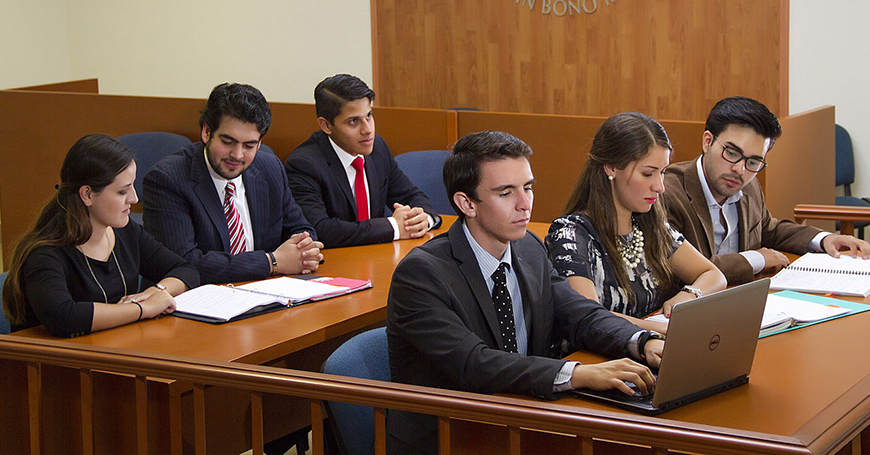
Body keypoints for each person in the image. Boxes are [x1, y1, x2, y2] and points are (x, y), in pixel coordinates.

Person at [386, 131, 664, 454]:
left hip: (521, 419)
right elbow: (475, 364)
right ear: (466, 203)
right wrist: (578, 374)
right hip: (450, 436)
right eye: (506, 193)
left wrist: (642, 341)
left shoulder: (528, 247)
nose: (525, 204)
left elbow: (579, 313)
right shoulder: (421, 275)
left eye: (528, 188)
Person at [1, 134, 199, 338]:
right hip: (54, 356)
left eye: (132, 186)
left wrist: (155, 291)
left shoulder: (126, 231)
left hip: (114, 346)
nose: (134, 198)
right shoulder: (44, 254)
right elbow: (63, 318)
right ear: (87, 194)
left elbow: (186, 270)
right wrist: (143, 309)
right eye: (122, 191)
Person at [546, 113, 726, 333]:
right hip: (600, 351)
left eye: (663, 172)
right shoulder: (571, 234)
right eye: (648, 173)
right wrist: (659, 329)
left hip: (650, 343)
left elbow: (714, 275)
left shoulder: (650, 225)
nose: (660, 187)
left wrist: (688, 295)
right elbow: (589, 317)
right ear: (611, 168)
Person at [663, 96, 870, 285]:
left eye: (754, 161)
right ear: (708, 142)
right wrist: (756, 259)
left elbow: (769, 229)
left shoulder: (748, 184)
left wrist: (824, 239)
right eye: (732, 153)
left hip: (743, 297)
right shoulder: (666, 193)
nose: (740, 169)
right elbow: (680, 269)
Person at [143, 83, 323, 284]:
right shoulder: (168, 179)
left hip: (266, 290)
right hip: (200, 297)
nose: (237, 155)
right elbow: (184, 263)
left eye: (249, 145)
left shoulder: (270, 168)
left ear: (259, 143)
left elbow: (301, 228)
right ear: (206, 132)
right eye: (228, 142)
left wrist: (303, 249)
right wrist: (271, 262)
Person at [285, 74, 442, 248]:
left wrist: (424, 219)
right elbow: (320, 230)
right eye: (353, 121)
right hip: (337, 260)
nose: (367, 130)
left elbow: (411, 196)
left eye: (369, 116)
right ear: (326, 125)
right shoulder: (304, 165)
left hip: (378, 256)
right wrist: (393, 227)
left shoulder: (377, 148)